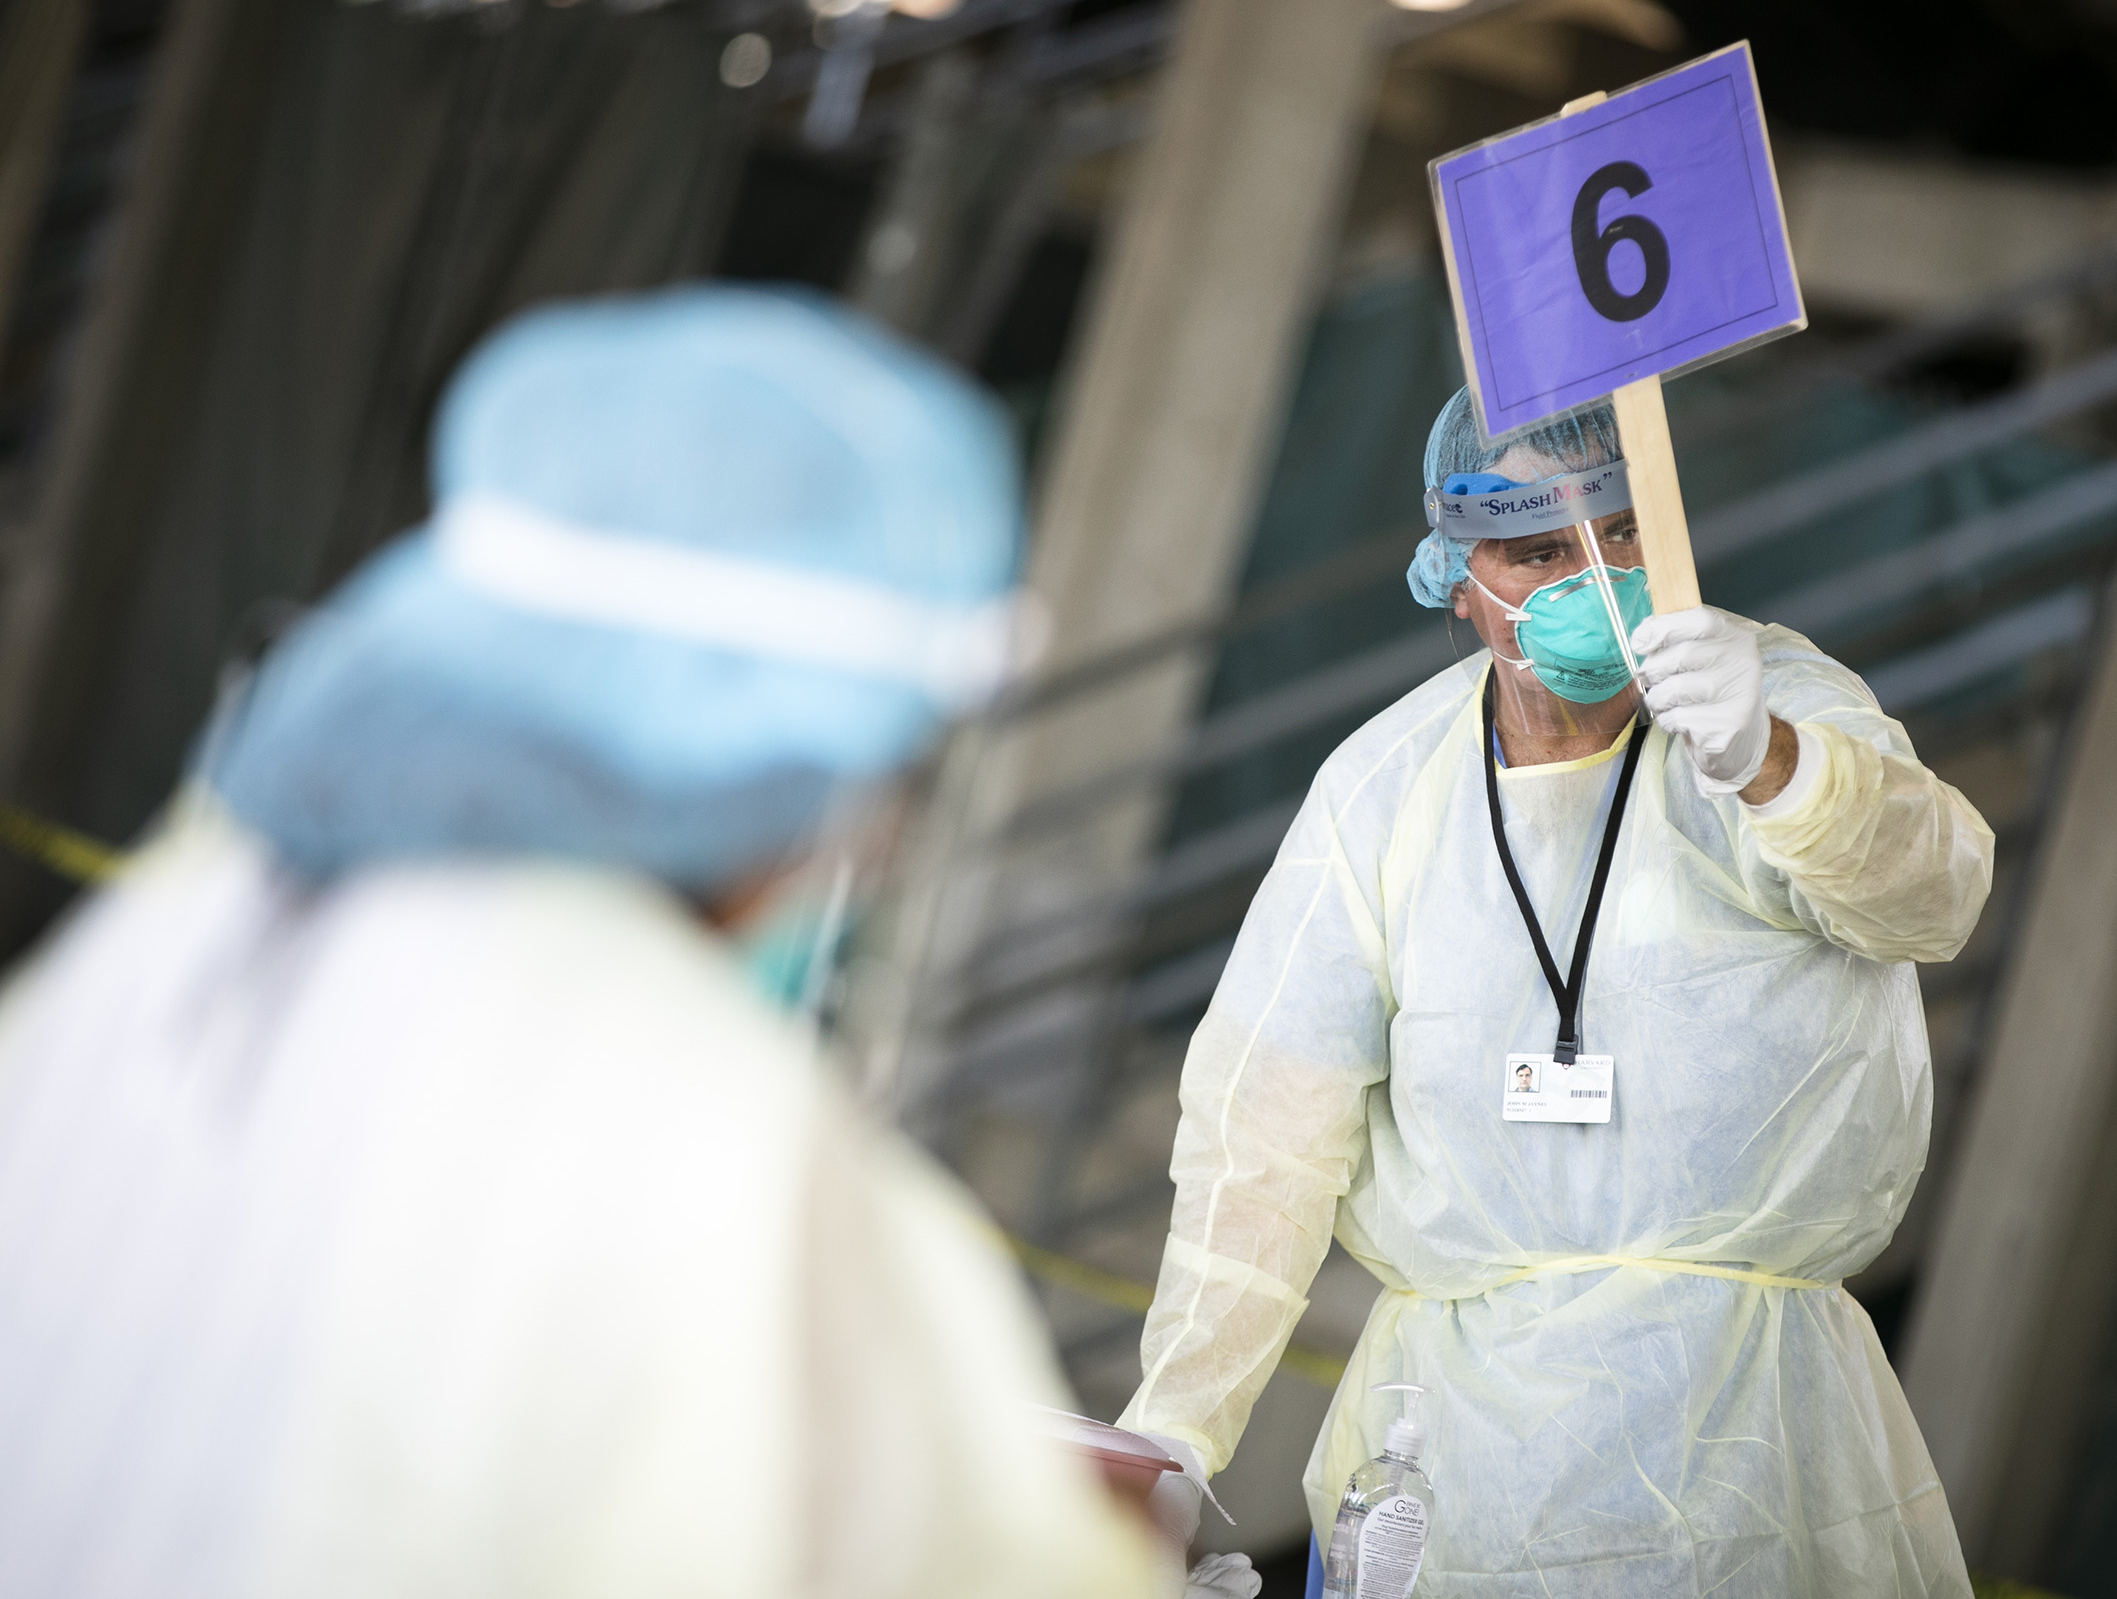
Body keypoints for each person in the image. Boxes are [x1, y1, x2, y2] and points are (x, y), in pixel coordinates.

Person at [0, 288, 1173, 1599]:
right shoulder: (702, 1126)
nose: (880, 844)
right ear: (788, 760)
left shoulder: (170, 937)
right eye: (890, 774)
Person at [1119, 386, 1996, 1596]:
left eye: (1626, 532)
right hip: (1448, 1463)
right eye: (1539, 551)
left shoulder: (1769, 703)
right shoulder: (1381, 790)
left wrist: (1777, 767)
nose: (1599, 574)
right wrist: (1173, 1433)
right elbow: (1261, 1137)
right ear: (1452, 578)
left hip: (1749, 1442)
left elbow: (1933, 895)